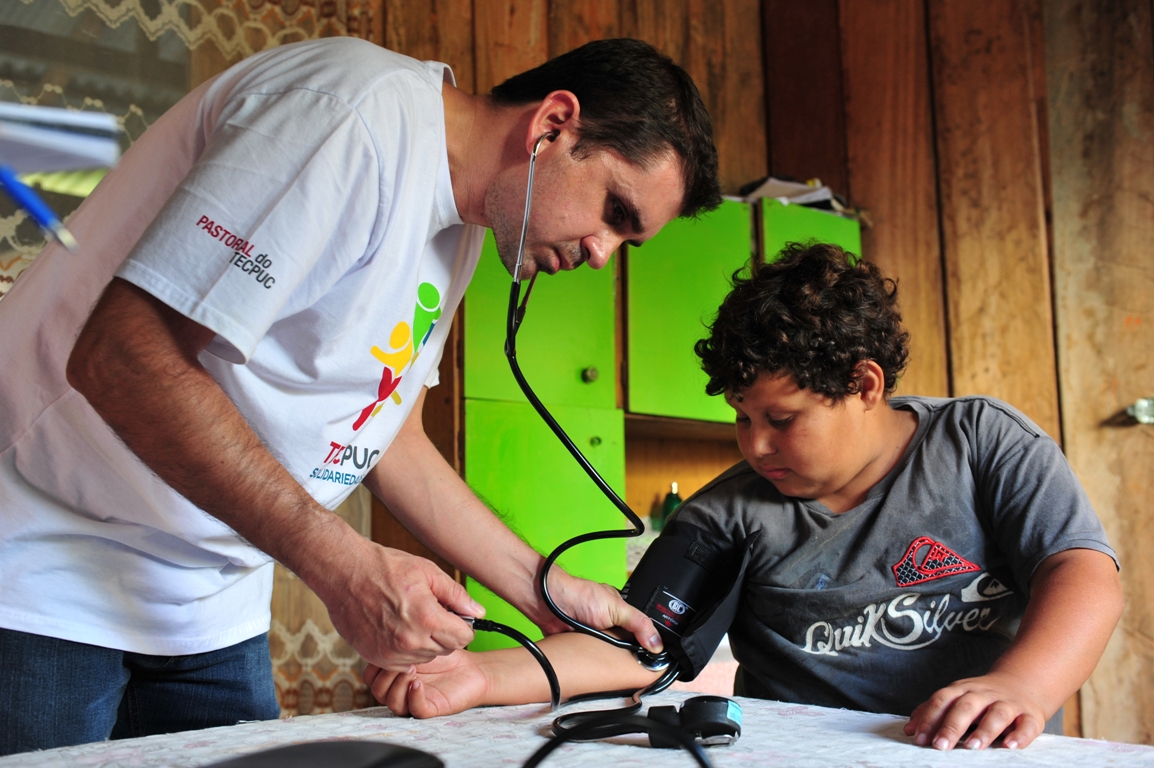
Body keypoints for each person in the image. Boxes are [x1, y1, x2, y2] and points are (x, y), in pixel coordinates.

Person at [0, 37, 721, 754]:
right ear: (552, 126)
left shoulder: (462, 223)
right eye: (615, 213)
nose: (602, 253)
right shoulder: (349, 117)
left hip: (209, 606)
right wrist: (343, 565)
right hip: (48, 569)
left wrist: (545, 589)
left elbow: (384, 431)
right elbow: (122, 357)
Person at [371, 242, 1123, 752]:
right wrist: (479, 677)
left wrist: (1024, 682)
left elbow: (1081, 570)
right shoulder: (728, 512)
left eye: (781, 419)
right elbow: (639, 644)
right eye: (740, 418)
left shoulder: (982, 441)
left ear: (864, 385)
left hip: (984, 755)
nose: (754, 445)